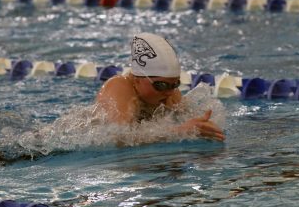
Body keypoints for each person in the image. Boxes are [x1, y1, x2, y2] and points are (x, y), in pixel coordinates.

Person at [96, 33, 225, 142]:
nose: (170, 92)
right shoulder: (119, 87)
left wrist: (204, 128)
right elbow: (118, 138)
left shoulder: (170, 94)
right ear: (137, 80)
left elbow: (191, 122)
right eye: (161, 85)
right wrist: (179, 131)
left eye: (175, 84)